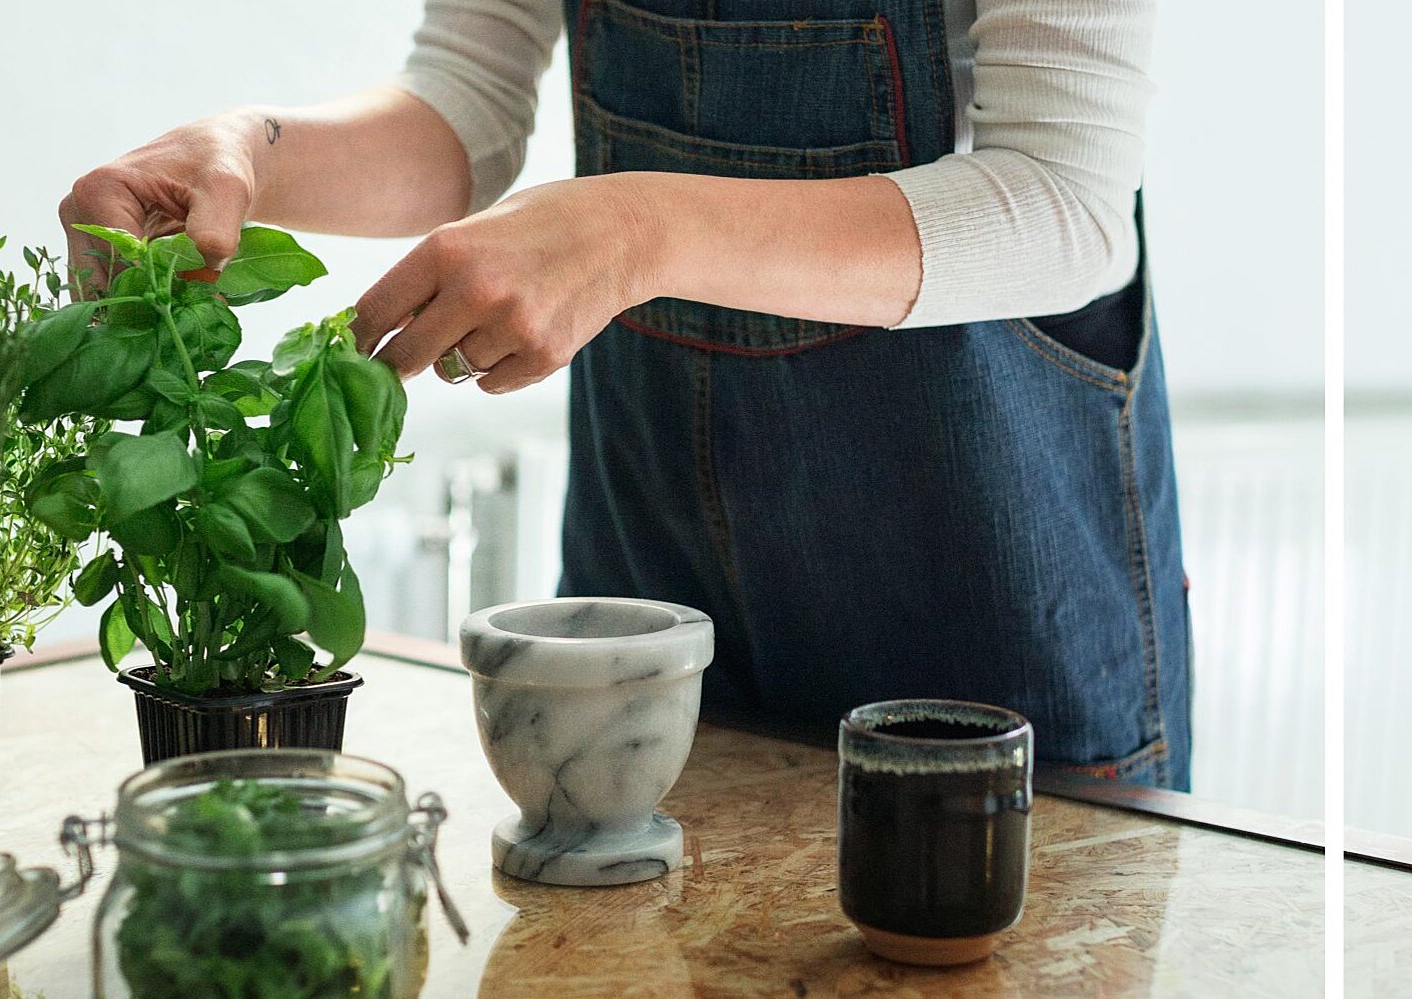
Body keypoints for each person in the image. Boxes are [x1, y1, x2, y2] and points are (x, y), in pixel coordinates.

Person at [60, 0, 1190, 789]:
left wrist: (634, 228)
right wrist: (243, 155)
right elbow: (466, 100)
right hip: (654, 579)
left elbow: (1060, 201)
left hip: (979, 595)